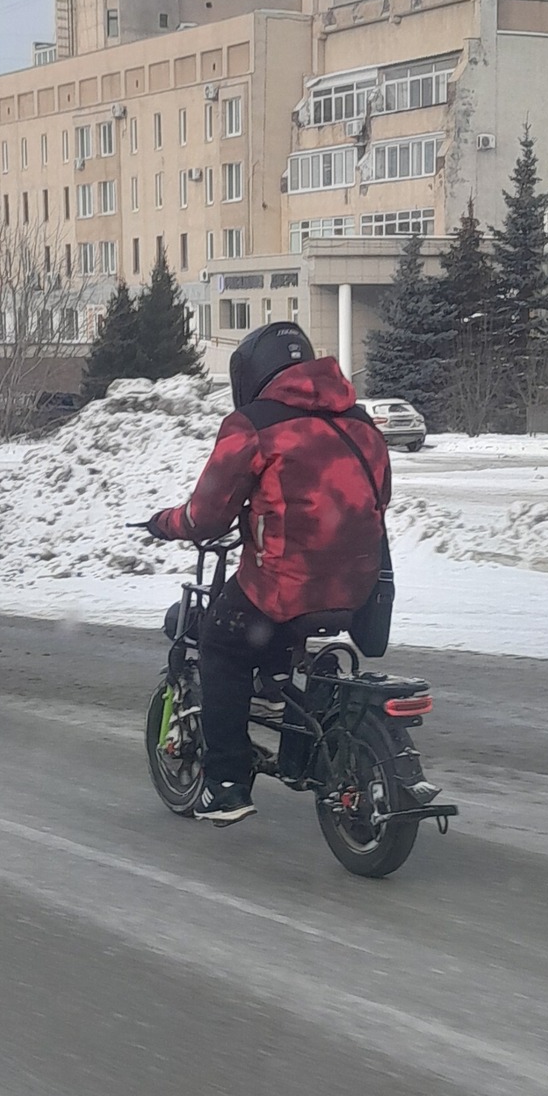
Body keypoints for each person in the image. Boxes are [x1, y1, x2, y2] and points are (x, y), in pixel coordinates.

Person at [147, 321, 390, 824]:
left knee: (220, 641)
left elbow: (207, 516)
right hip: (356, 587)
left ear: (252, 374)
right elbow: (378, 499)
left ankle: (228, 782)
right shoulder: (362, 425)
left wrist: (167, 524)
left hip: (286, 587)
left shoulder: (254, 426)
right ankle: (277, 682)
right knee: (266, 618)